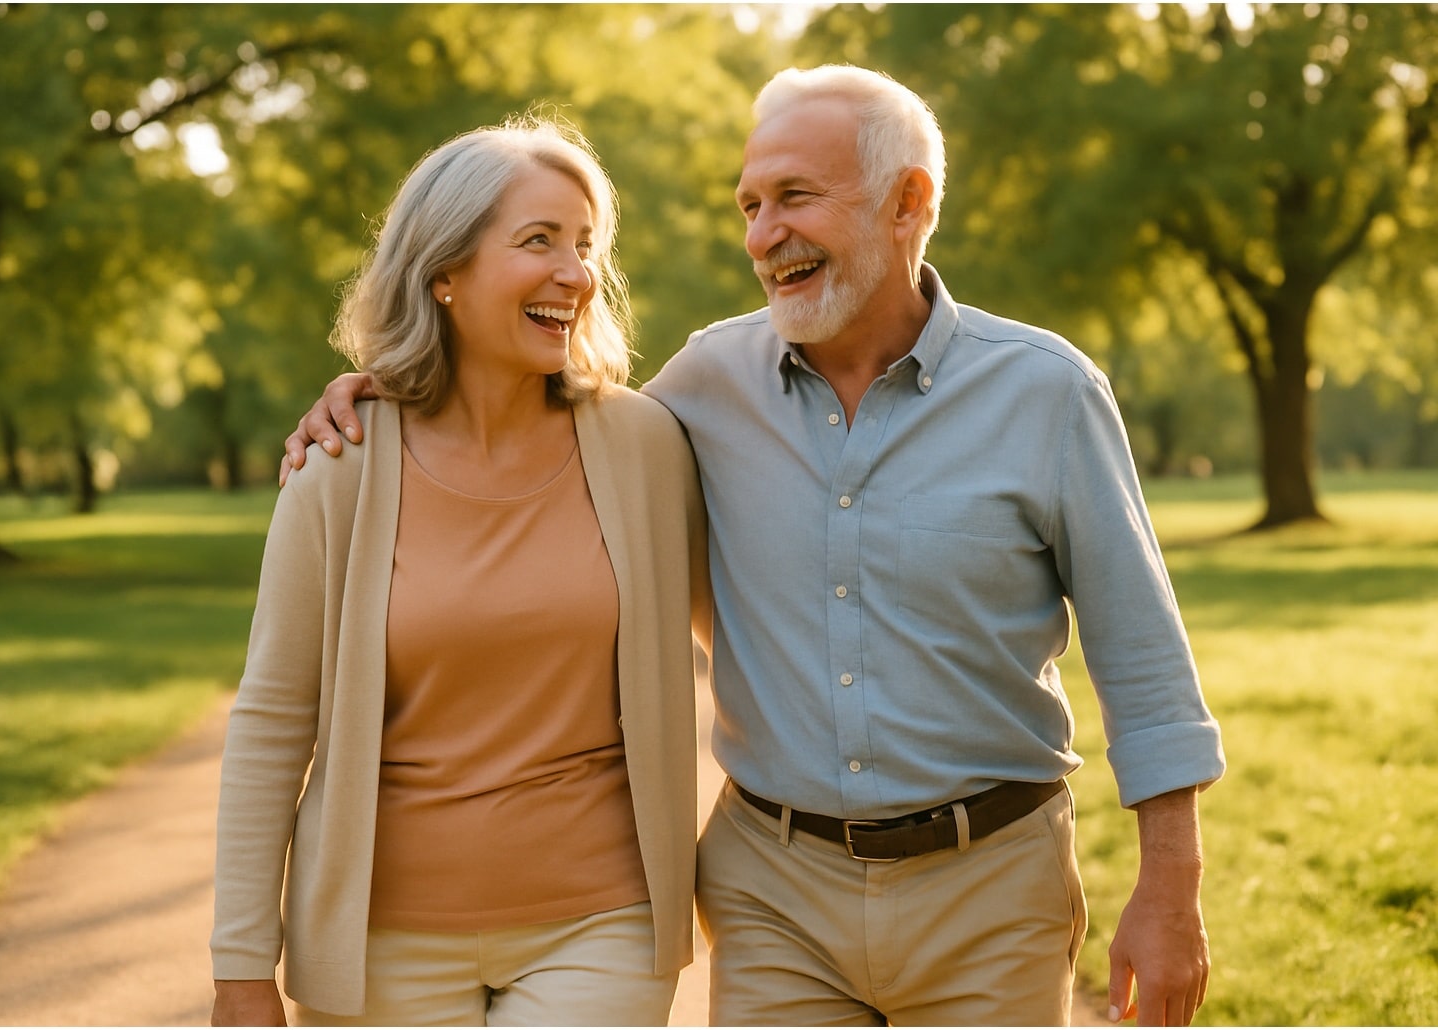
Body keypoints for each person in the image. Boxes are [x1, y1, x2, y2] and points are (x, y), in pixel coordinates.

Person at [282, 66, 1226, 1027]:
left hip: (994, 888)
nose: (763, 235)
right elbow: (540, 419)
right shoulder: (702, 386)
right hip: (774, 893)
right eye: (750, 204)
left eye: (796, 198)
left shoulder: (1048, 394)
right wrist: (385, 391)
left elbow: (1143, 661)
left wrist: (1170, 891)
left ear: (909, 204)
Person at [213, 116, 709, 1027]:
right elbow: (274, 721)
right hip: (379, 945)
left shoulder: (644, 444)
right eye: (538, 241)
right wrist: (241, 967)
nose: (576, 272)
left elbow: (759, 615)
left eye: (585, 244)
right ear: (444, 273)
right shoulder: (340, 467)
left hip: (603, 922)